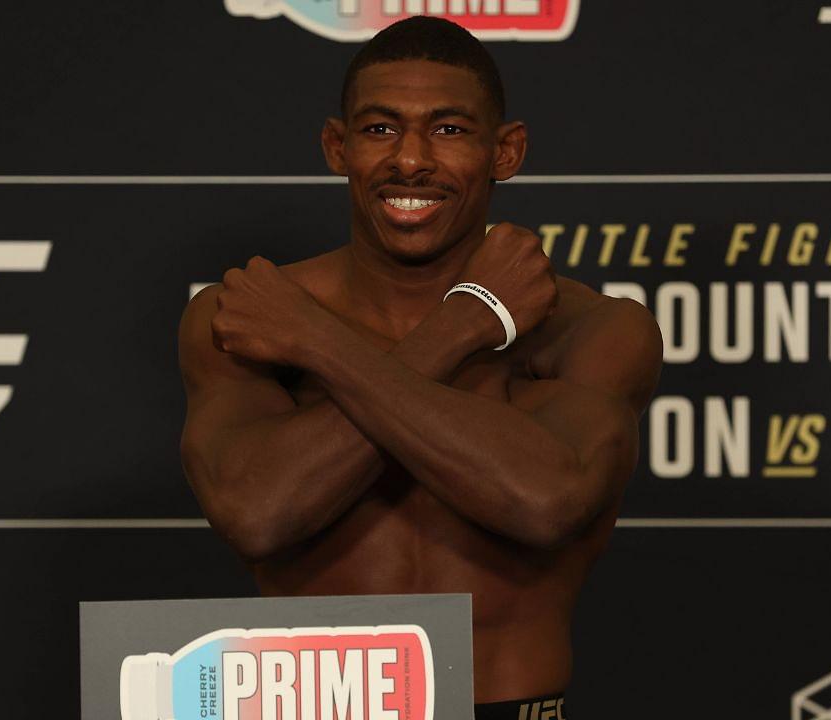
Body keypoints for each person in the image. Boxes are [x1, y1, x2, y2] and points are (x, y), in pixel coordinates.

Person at [178, 16, 662, 718]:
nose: (410, 161)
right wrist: (467, 323)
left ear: (507, 151)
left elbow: (544, 500)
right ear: (336, 147)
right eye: (379, 130)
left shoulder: (593, 329)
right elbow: (259, 512)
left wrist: (322, 342)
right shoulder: (244, 319)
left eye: (449, 130)